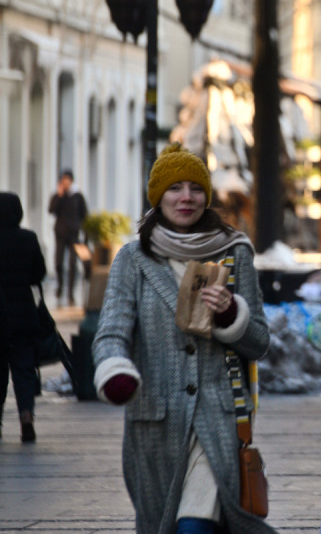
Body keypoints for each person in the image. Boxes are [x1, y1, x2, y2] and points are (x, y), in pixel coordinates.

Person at [91, 143, 274, 534]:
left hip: (218, 417)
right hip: (154, 421)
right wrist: (115, 371)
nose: (186, 197)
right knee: (160, 525)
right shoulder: (134, 258)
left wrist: (230, 313)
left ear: (207, 196)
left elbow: (258, 341)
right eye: (175, 188)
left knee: (195, 525)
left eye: (195, 188)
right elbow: (111, 331)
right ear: (158, 196)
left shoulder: (233, 251)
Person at [0, 192, 47, 442]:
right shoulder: (29, 238)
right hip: (23, 315)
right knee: (24, 369)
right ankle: (26, 415)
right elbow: (38, 274)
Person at [48, 169, 88, 305]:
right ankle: (60, 286)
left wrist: (85, 235)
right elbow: (51, 210)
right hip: (60, 234)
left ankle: (70, 293)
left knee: (72, 264)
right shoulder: (58, 196)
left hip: (74, 235)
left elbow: (84, 215)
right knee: (58, 263)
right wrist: (59, 196)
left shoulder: (78, 196)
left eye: (67, 180)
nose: (65, 183)